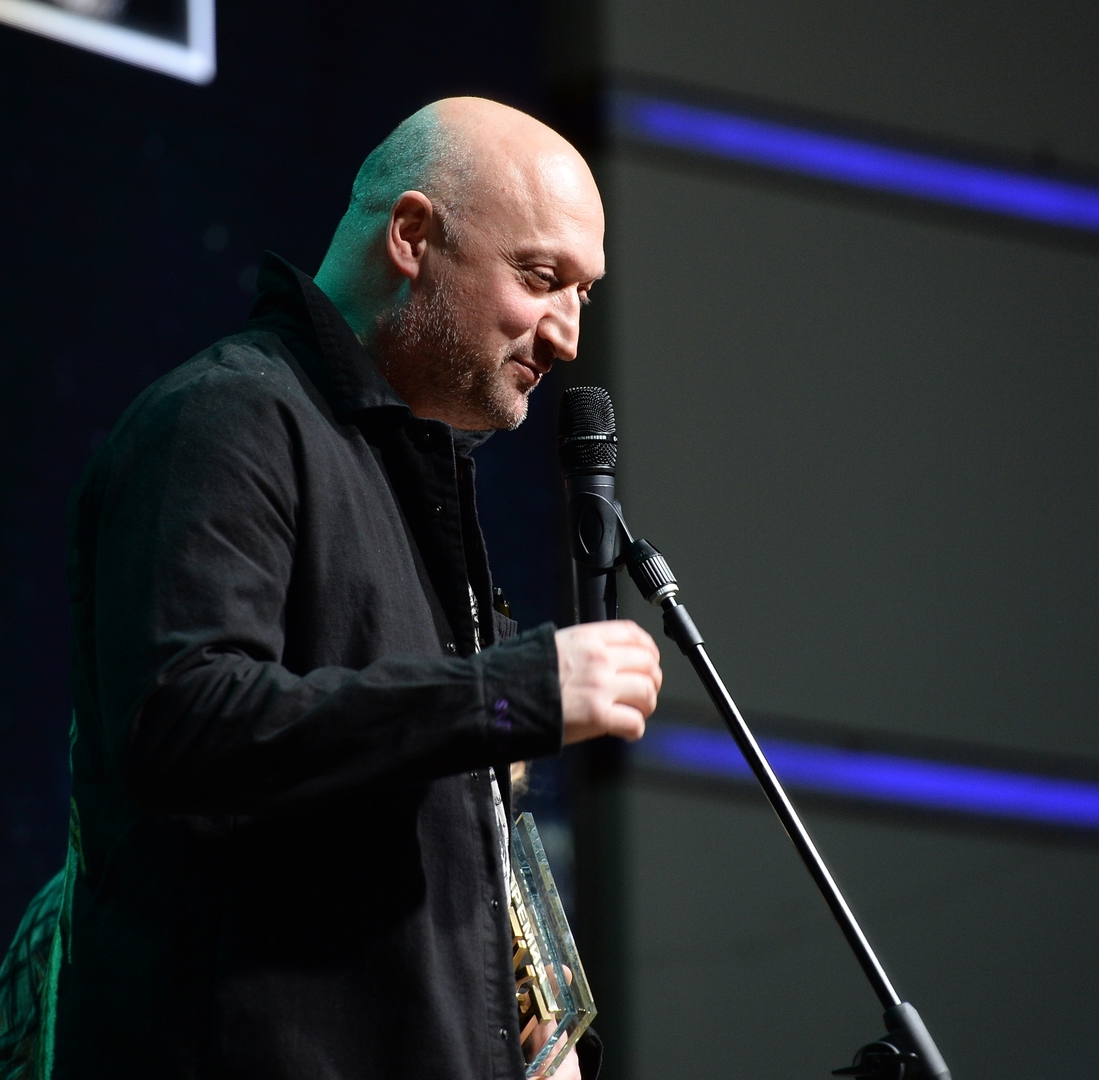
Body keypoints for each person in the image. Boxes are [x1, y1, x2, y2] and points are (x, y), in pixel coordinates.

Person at [47, 97, 662, 1080]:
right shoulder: (225, 418)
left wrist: (538, 1032)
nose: (568, 336)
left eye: (583, 293)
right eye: (542, 279)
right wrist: (514, 694)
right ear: (412, 235)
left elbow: (433, 826)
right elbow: (184, 722)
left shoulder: (414, 479)